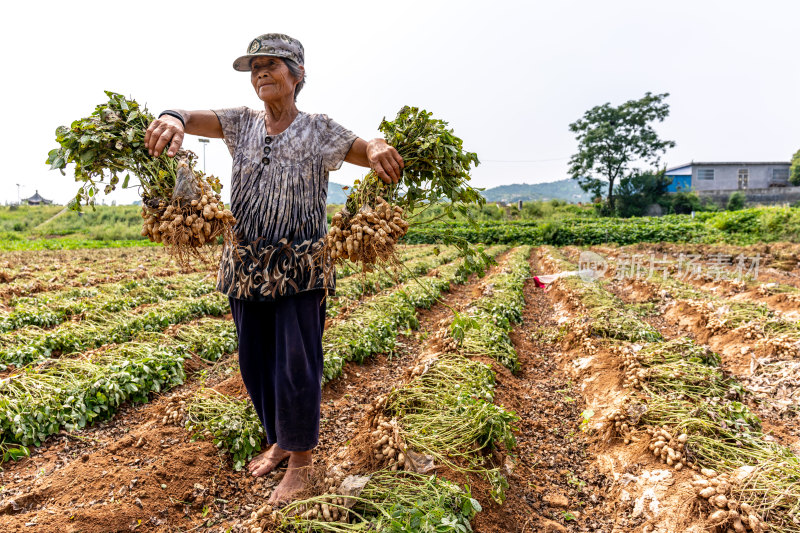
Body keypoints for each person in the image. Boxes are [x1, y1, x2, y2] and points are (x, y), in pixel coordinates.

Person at [144, 33, 404, 504]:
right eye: (254, 67)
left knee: (296, 366)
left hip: (300, 268)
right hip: (244, 267)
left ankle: (302, 462)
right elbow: (189, 115)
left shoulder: (320, 130)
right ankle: (281, 439)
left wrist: (381, 143)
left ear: (297, 74)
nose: (260, 72)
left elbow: (368, 151)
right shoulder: (241, 123)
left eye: (272, 64)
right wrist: (171, 115)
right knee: (254, 362)